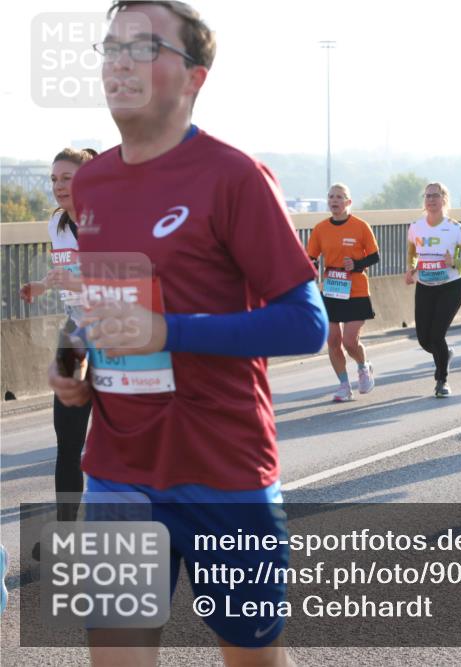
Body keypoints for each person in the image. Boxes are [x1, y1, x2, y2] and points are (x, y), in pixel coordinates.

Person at [51, 3, 327, 665]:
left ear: (195, 76)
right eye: (110, 46)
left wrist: (167, 331)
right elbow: (99, 298)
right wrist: (72, 359)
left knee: (252, 654)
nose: (119, 61)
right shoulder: (90, 182)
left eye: (142, 47)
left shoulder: (234, 176)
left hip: (222, 471)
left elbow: (306, 322)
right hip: (118, 468)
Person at [18, 148, 94, 540]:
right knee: (68, 439)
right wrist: (42, 284)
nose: (58, 186)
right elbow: (65, 267)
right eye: (53, 179)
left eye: (67, 178)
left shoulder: (112, 221)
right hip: (75, 335)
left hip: (118, 337)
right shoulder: (57, 226)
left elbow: (133, 277)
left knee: (125, 445)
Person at [306, 183, 379, 402]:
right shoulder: (320, 229)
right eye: (331, 197)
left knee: (349, 341)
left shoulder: (360, 226)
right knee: (333, 340)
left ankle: (363, 366)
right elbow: (311, 257)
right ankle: (344, 385)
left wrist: (356, 264)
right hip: (331, 288)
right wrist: (311, 271)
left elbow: (374, 257)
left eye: (339, 197)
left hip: (356, 289)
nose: (334, 200)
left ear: (348, 202)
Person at [405, 182, 461, 397]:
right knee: (423, 339)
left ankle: (442, 380)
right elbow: (412, 252)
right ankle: (445, 354)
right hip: (425, 285)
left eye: (435, 196)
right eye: (427, 196)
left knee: (437, 335)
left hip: (451, 286)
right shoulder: (416, 226)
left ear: (444, 199)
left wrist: (454, 261)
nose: (431, 200)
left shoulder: (454, 227)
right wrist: (410, 268)